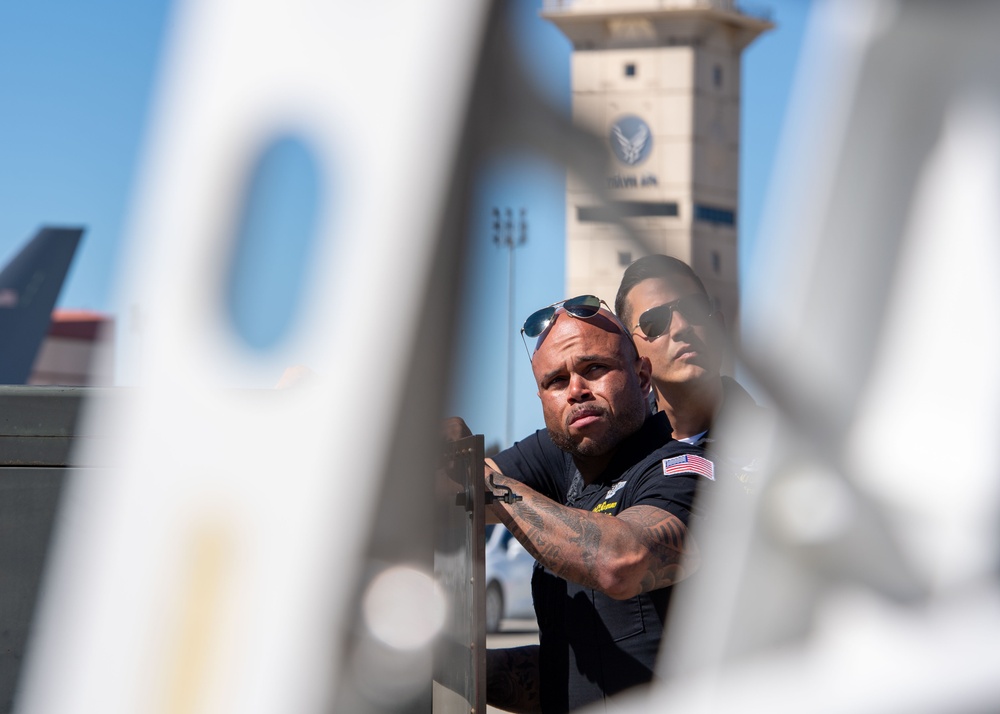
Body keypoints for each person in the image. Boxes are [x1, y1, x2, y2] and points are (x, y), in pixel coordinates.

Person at [475, 296, 717, 712]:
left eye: (594, 369)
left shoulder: (688, 467)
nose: (575, 391)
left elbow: (621, 562)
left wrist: (490, 484)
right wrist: (464, 669)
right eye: (555, 381)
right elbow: (570, 667)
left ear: (642, 377)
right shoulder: (564, 459)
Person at [614, 255, 767, 493]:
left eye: (693, 309)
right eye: (654, 322)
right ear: (632, 354)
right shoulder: (612, 461)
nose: (682, 327)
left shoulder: (785, 440)